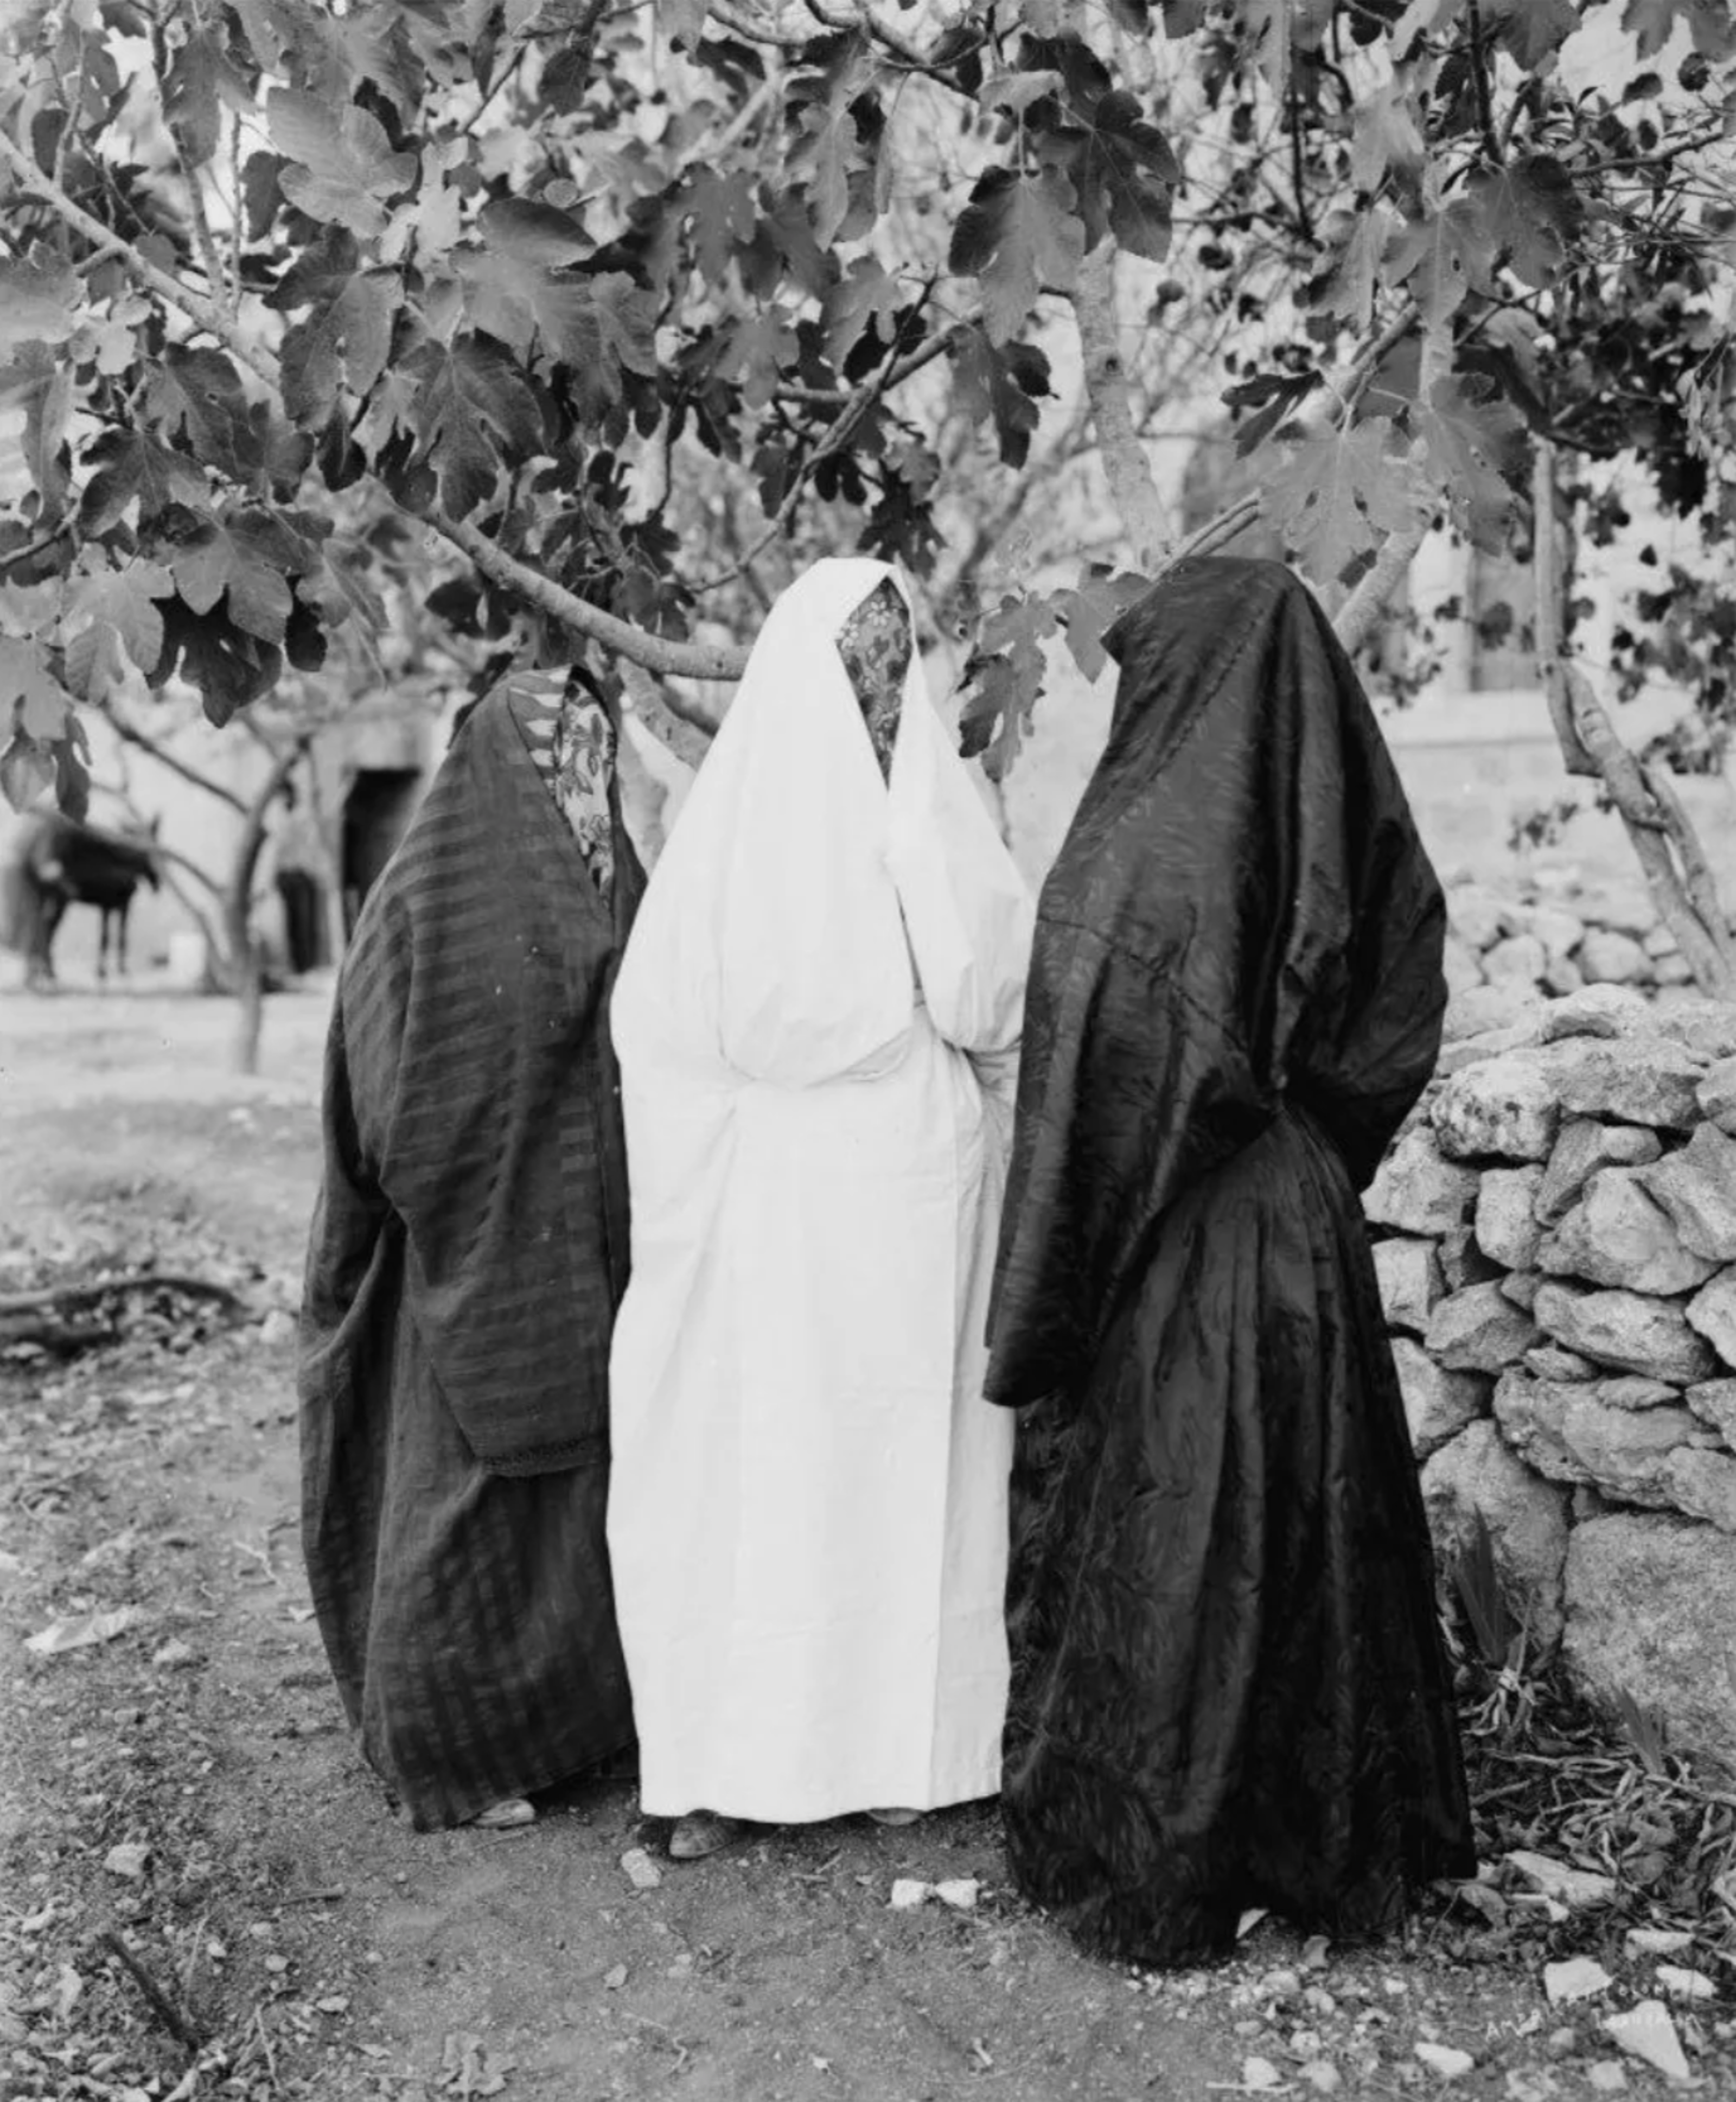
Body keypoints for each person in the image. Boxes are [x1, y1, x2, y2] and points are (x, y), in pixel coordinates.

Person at [983, 556, 1475, 1968]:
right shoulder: (1311, 805)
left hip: (1177, 1243)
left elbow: (1104, 1083)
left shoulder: (1143, 837)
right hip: (1299, 1227)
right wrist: (1316, 1136)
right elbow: (1399, 979)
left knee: (1181, 1544)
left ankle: (1179, 1850)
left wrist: (1058, 1284)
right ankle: (1322, 1844)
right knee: (1304, 1534)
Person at [607, 557, 1033, 1861]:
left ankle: (726, 1765)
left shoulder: (727, 817)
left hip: (749, 1198)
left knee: (747, 1464)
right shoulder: (922, 803)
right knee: (883, 1463)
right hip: (883, 1187)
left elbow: (655, 1024)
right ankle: (895, 1757)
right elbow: (985, 991)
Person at [298, 663, 642, 1831]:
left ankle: (575, 1729)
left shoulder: (619, 881)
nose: (583, 786)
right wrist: (481, 1205)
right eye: (560, 763)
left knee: (583, 1499)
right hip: (462, 1252)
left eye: (596, 761)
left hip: (590, 1243)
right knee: (464, 1507)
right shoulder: (422, 903)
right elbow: (394, 1093)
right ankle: (451, 1750)